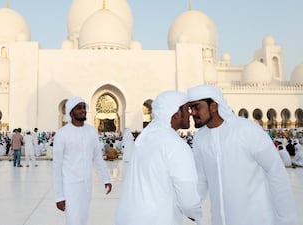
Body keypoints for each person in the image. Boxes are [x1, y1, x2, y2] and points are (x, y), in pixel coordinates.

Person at [187, 84, 298, 225]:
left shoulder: (247, 130)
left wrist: (287, 219)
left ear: (213, 106)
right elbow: (202, 178)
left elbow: (276, 172)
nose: (192, 113)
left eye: (197, 107)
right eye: (190, 108)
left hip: (256, 219)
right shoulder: (200, 139)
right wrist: (191, 205)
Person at [115, 91, 202, 225]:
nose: (190, 113)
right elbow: (188, 199)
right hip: (157, 219)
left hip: (129, 217)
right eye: (187, 109)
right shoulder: (176, 145)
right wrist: (198, 215)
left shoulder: (144, 139)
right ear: (176, 112)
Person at [53, 96, 112, 225]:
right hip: (70, 186)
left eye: (84, 107)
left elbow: (97, 157)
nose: (82, 110)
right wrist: (59, 195)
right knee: (73, 220)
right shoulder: (62, 134)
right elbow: (57, 166)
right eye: (79, 108)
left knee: (83, 219)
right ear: (71, 112)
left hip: (86, 186)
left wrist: (106, 179)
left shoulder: (91, 131)